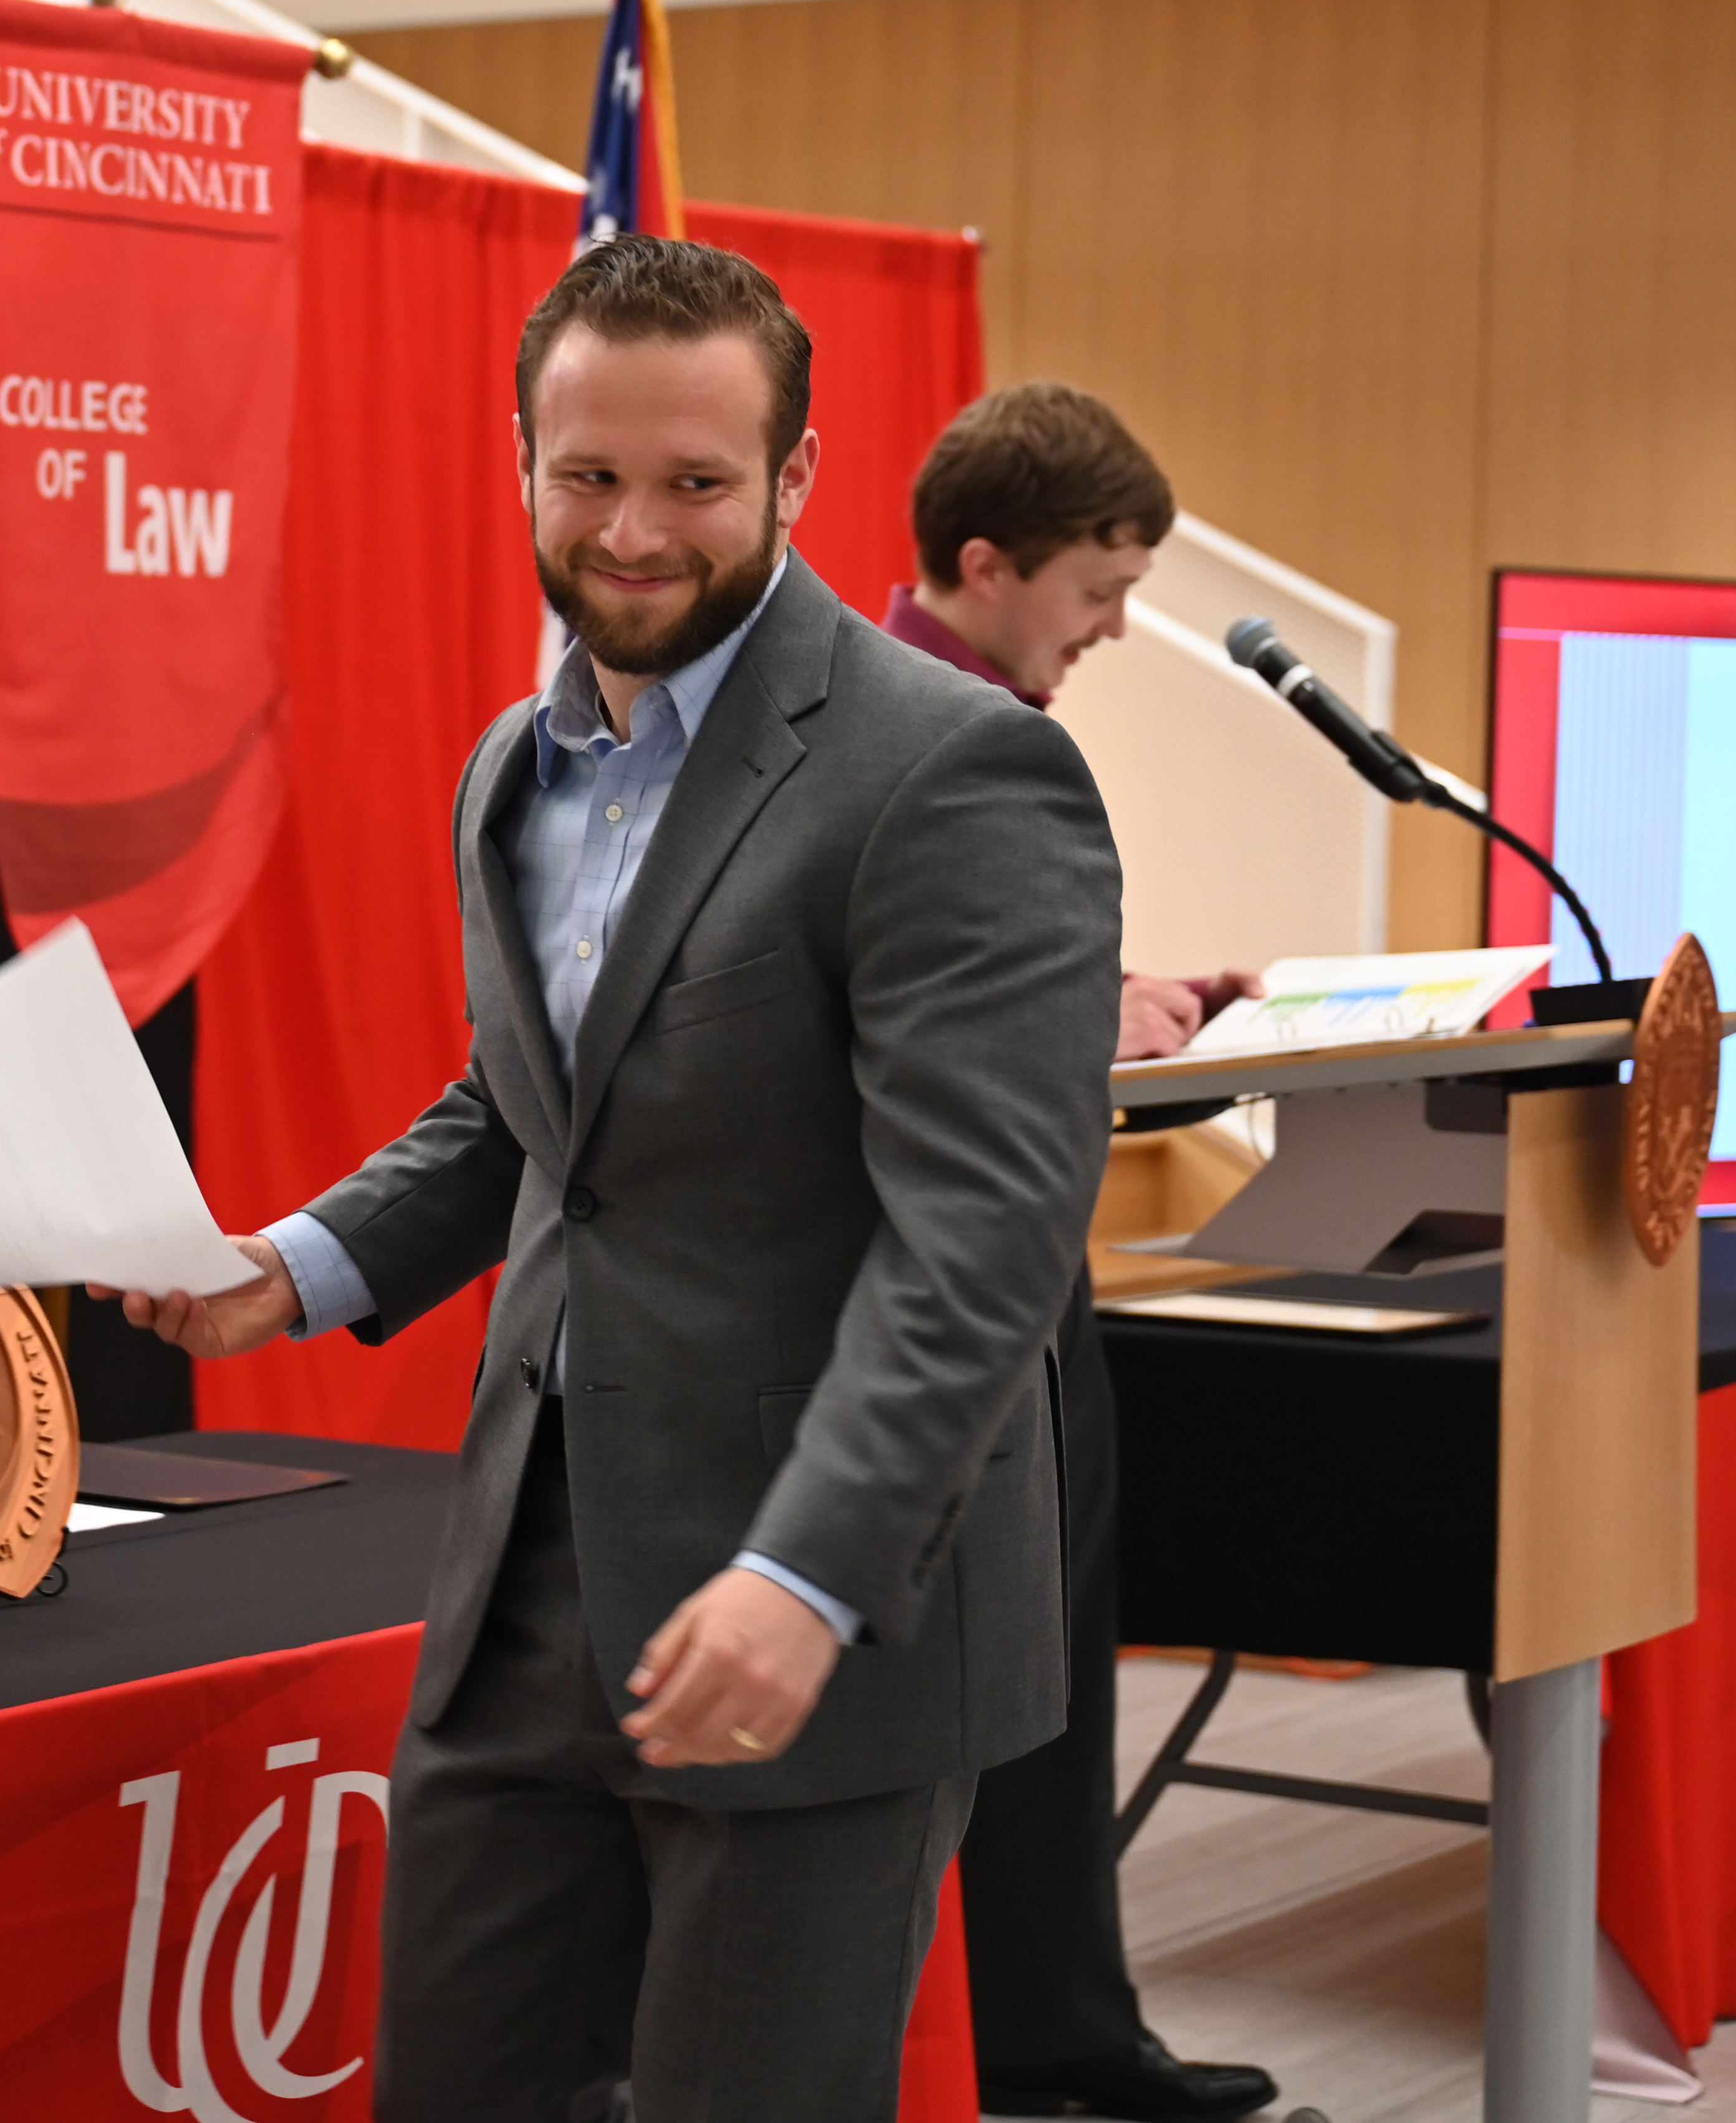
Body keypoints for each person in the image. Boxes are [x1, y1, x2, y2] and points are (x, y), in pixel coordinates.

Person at [106, 237, 1120, 2123]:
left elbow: (981, 1242)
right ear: (522, 460)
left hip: (822, 1597)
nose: (635, 530)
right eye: (589, 476)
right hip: (527, 1589)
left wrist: (807, 1574)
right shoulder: (519, 757)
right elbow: (527, 1109)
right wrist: (297, 1266)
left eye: (697, 483)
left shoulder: (956, 773)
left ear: (798, 480)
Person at [881, 380, 1276, 2122]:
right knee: (997, 1692)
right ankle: (1025, 2043)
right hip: (954, 1298)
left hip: (1018, 1270)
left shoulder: (948, 719)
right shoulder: (920, 732)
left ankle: (1042, 2031)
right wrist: (1082, 1020)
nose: (1115, 632)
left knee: (1041, 1680)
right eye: (1100, 594)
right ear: (989, 562)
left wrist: (1128, 1006)